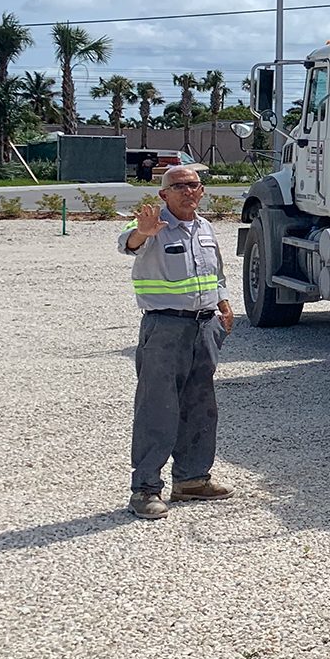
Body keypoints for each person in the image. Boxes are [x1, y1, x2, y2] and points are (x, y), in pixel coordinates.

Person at [116, 164, 235, 520]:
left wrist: (224, 305)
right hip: (164, 328)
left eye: (193, 185)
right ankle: (145, 489)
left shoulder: (206, 228)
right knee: (157, 408)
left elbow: (216, 272)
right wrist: (142, 232)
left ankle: (192, 479)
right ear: (163, 194)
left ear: (201, 191)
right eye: (178, 186)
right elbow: (127, 243)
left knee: (201, 406)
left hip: (203, 327)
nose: (187, 191)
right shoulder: (149, 225)